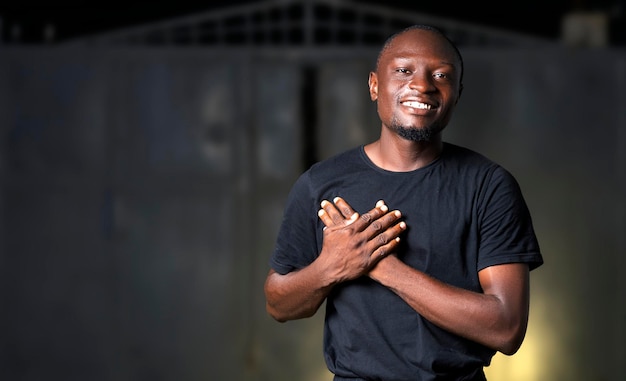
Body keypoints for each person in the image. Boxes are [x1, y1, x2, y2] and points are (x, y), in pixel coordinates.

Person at [264, 24, 543, 381]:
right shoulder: (321, 183)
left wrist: (384, 268)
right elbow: (278, 304)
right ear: (374, 85)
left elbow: (506, 328)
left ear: (457, 94)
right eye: (404, 70)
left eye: (441, 75)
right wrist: (332, 265)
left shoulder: (489, 187)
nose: (423, 84)